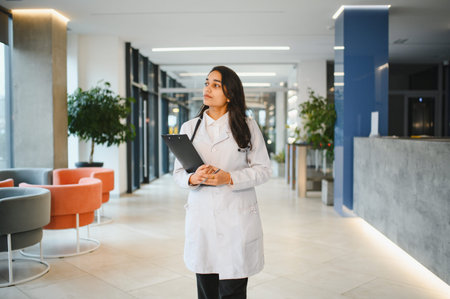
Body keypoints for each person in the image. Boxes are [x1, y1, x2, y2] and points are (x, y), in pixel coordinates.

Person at [173, 65, 272, 299]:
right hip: (203, 219)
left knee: (233, 291)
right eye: (207, 83)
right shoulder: (189, 128)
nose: (207, 88)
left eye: (215, 85)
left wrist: (229, 177)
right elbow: (178, 173)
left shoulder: (247, 127)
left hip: (236, 219)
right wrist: (192, 178)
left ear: (230, 93)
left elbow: (264, 170)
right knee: (206, 291)